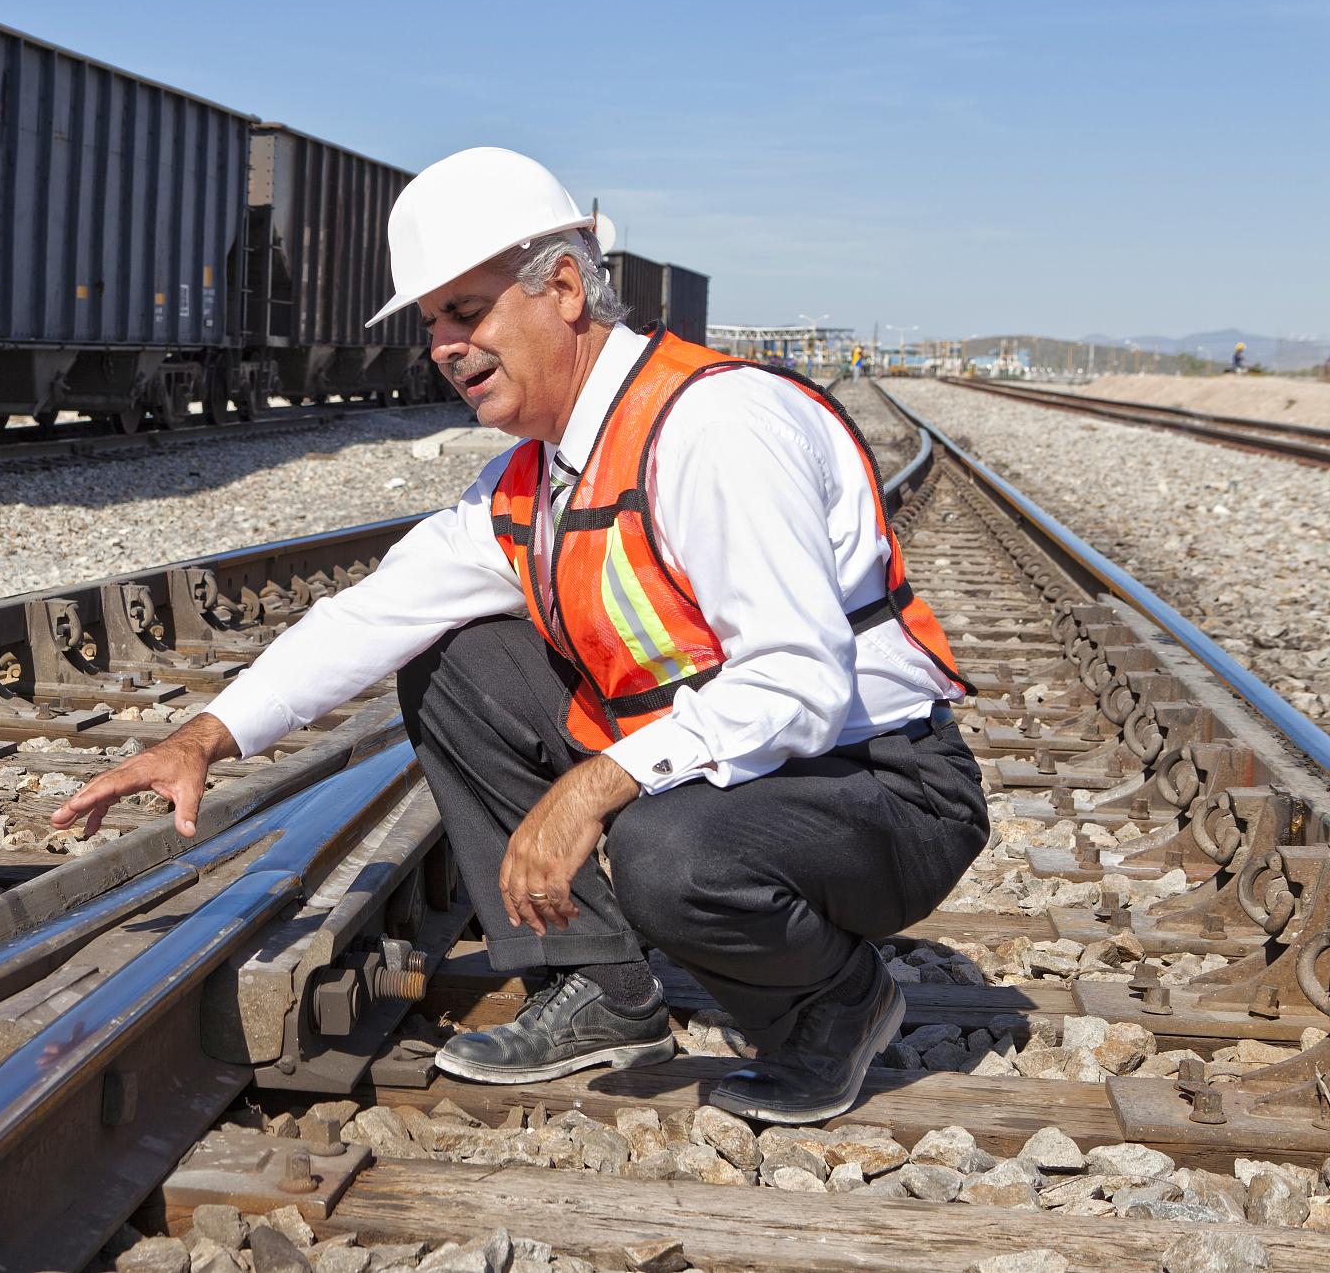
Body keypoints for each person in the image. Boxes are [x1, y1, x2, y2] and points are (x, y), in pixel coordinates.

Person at [51, 147, 984, 1124]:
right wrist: (205, 736)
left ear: (565, 289)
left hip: (878, 786)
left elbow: (796, 681)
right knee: (452, 663)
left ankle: (836, 1003)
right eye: (432, 322)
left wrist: (593, 786)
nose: (443, 346)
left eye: (466, 311)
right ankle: (600, 989)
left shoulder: (713, 428)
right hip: (742, 764)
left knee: (665, 852)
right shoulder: (534, 478)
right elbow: (375, 612)